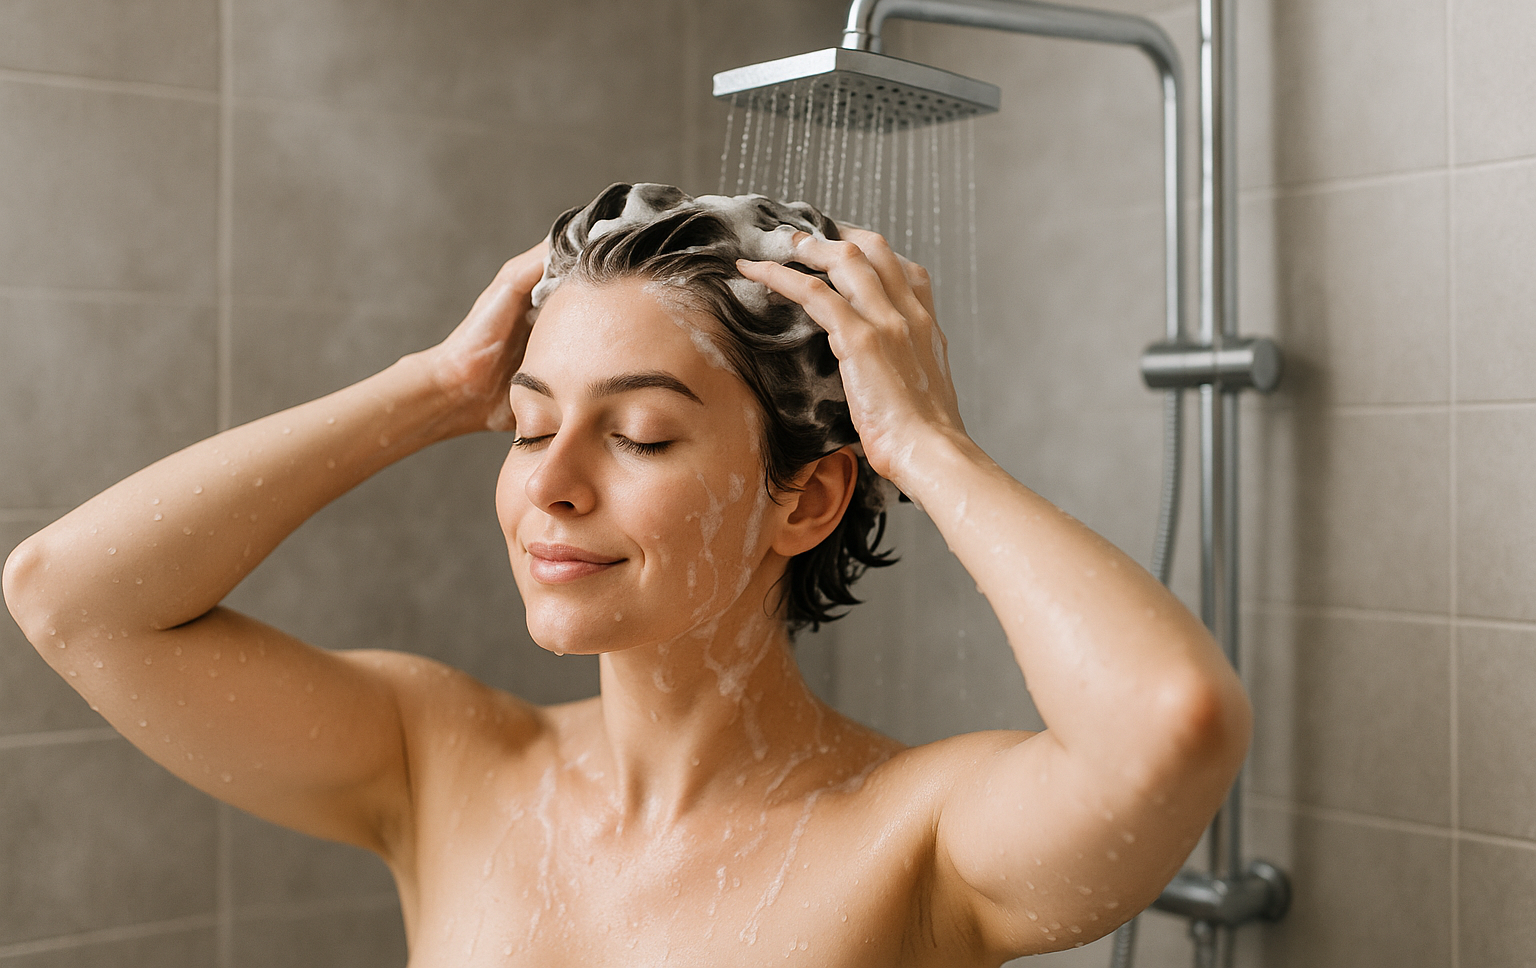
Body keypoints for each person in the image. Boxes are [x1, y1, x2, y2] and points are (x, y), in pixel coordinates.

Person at [4, 183, 1250, 966]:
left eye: (641, 435)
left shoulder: (915, 837)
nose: (550, 482)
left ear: (806, 499)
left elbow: (1169, 721)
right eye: (529, 424)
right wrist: (432, 389)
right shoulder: (442, 762)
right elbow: (70, 596)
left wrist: (925, 444)